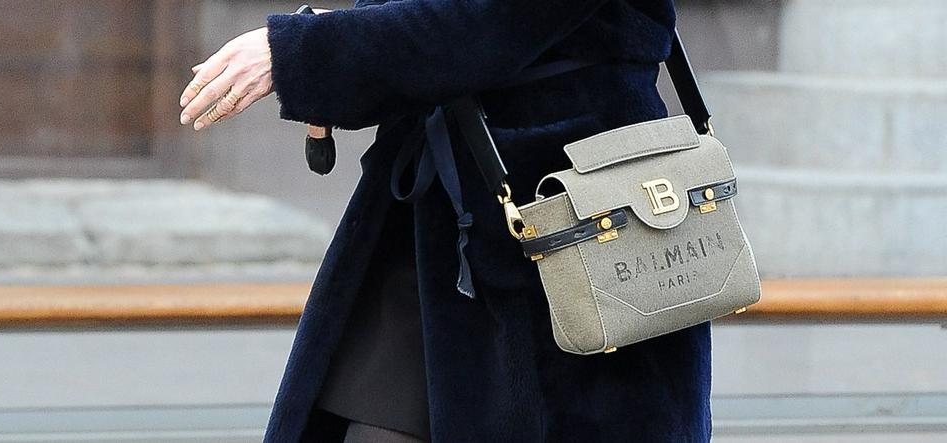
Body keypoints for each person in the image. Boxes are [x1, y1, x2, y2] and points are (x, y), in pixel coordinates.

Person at [178, 1, 711, 442]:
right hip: (443, 226)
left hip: (578, 226)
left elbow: (489, 24)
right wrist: (348, 36)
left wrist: (307, 52)